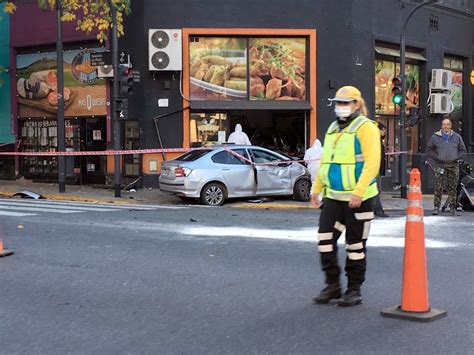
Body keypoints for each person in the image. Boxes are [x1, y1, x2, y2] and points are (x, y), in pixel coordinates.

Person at [311, 86, 381, 307]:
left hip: (359, 198)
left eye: (345, 103)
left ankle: (354, 289)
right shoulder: (333, 128)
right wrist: (316, 189)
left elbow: (372, 163)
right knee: (324, 240)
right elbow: (326, 162)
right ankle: (332, 285)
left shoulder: (366, 127)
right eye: (338, 103)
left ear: (356, 104)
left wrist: (359, 192)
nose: (340, 107)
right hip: (333, 197)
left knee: (355, 245)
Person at [426, 118, 466, 216]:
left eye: (448, 124)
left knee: (453, 188)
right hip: (440, 165)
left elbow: (463, 150)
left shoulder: (457, 137)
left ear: (451, 126)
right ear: (441, 126)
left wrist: (456, 157)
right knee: (438, 187)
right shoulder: (435, 137)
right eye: (444, 124)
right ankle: (436, 208)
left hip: (453, 166)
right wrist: (437, 157)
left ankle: (452, 208)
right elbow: (429, 149)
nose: (446, 126)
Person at [373, 122, 388, 217]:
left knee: (376, 189)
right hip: (375, 168)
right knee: (376, 189)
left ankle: (375, 209)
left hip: (377, 167)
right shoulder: (375, 140)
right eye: (383, 129)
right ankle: (378, 210)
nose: (384, 131)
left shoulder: (378, 140)